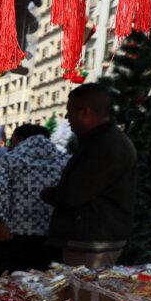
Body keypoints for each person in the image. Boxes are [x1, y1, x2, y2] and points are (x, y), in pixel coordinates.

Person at [41, 83, 137, 268]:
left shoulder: (106, 146)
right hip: (92, 238)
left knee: (81, 293)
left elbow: (73, 194)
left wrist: (46, 193)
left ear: (85, 112)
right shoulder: (100, 141)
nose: (67, 117)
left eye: (69, 111)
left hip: (92, 243)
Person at [0, 123, 67, 273]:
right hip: (52, 235)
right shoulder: (64, 160)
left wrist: (0, 224)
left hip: (14, 235)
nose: (10, 146)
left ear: (20, 139)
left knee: (13, 285)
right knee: (47, 284)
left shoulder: (9, 160)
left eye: (12, 141)